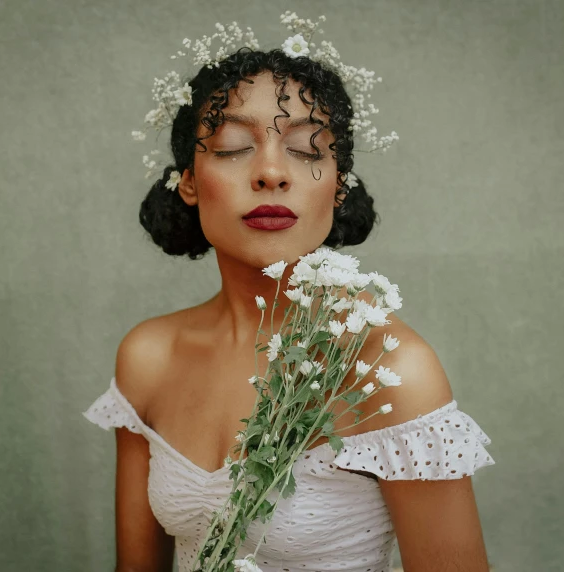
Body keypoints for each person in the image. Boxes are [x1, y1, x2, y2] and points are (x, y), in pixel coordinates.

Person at [83, 28, 495, 572]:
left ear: (339, 186)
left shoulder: (388, 370)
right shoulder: (149, 355)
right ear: (187, 181)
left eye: (306, 150)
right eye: (232, 148)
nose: (272, 173)